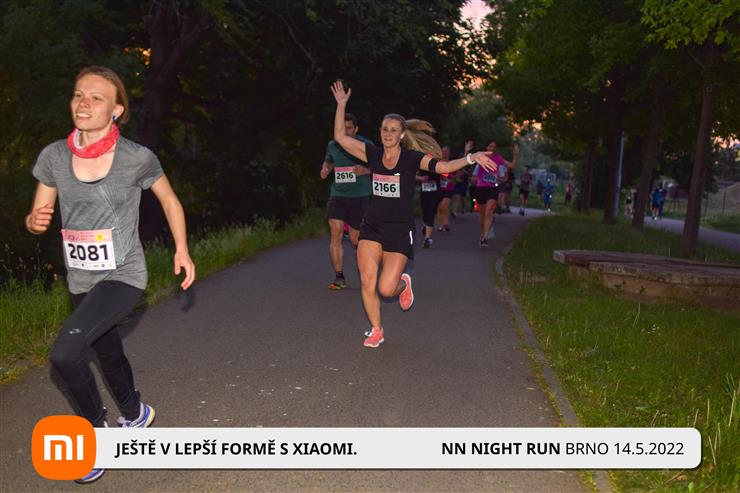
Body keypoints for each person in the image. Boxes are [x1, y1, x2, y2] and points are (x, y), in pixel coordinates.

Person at [25, 66, 195, 483]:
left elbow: (170, 201)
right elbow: (38, 213)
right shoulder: (54, 156)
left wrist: (182, 249)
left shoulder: (137, 158)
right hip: (80, 277)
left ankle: (94, 436)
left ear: (116, 110)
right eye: (78, 94)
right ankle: (136, 413)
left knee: (66, 353)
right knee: (107, 350)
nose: (83, 103)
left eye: (96, 97)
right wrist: (34, 221)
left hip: (123, 274)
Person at [330, 80, 496, 348]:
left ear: (401, 134)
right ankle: (376, 329)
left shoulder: (411, 158)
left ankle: (403, 284)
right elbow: (340, 137)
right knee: (367, 280)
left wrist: (470, 158)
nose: (387, 134)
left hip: (399, 230)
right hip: (372, 226)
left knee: (386, 289)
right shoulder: (372, 154)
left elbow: (443, 167)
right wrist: (341, 105)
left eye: (393, 130)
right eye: (384, 129)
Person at [319, 112, 372, 289]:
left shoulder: (365, 145)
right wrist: (325, 169)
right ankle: (339, 277)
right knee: (336, 232)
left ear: (356, 129)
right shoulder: (332, 144)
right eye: (343, 128)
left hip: (360, 196)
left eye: (349, 128)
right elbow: (328, 161)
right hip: (338, 195)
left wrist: (366, 171)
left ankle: (368, 266)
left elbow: (382, 166)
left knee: (356, 239)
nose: (345, 131)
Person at [472, 140, 518, 247]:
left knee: (489, 212)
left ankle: (484, 238)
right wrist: (476, 177)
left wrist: (516, 155)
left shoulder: (498, 158)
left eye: (494, 147)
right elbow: (472, 173)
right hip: (481, 188)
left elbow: (512, 165)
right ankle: (484, 231)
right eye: (490, 146)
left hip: (492, 189)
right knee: (482, 214)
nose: (492, 149)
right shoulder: (480, 156)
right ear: (486, 147)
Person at [417, 167, 442, 248]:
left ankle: (427, 239)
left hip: (435, 192)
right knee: (425, 213)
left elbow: (446, 173)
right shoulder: (421, 164)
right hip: (424, 192)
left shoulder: (437, 164)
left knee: (431, 213)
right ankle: (425, 224)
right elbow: (411, 174)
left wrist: (445, 176)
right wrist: (420, 178)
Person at [436, 145, 455, 232]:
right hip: (439, 188)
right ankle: (440, 225)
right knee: (439, 207)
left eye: (446, 152)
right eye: (443, 152)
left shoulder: (452, 163)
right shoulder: (437, 163)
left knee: (444, 204)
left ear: (449, 153)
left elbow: (456, 176)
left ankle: (446, 223)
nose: (444, 153)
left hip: (449, 188)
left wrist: (451, 179)